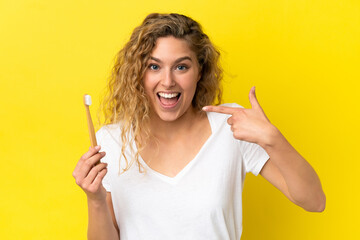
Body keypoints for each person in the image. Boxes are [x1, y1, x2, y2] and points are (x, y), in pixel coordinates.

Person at [72, 13, 326, 240]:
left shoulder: (232, 128)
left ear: (199, 71)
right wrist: (95, 200)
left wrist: (272, 138)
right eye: (154, 66)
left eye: (181, 67)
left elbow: (314, 201)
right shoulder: (112, 141)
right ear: (139, 73)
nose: (168, 81)